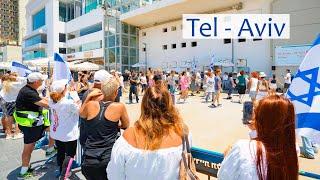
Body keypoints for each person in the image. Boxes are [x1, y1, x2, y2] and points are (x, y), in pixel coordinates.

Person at [107, 83, 190, 179]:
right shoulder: (182, 133)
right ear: (169, 105)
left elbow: (115, 175)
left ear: (144, 106)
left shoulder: (128, 136)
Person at [218, 95, 298, 180]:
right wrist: (255, 130)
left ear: (260, 118)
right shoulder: (293, 149)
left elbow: (223, 176)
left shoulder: (242, 148)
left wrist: (229, 157)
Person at [79, 78, 129, 180]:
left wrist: (88, 97)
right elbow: (126, 125)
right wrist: (114, 125)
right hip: (106, 159)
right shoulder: (119, 107)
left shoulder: (90, 105)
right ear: (116, 92)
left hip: (88, 158)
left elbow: (81, 114)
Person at [14, 72, 51, 178]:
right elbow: (45, 104)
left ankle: (51, 149)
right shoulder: (28, 92)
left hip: (34, 122)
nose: (43, 82)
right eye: (41, 80)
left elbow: (41, 99)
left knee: (53, 130)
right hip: (30, 124)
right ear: (35, 82)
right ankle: (23, 172)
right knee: (28, 148)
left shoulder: (29, 89)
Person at [49, 79, 81, 179]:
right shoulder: (68, 103)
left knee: (61, 152)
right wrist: (75, 95)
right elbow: (80, 110)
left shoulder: (52, 101)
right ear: (64, 91)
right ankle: (64, 175)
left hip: (57, 132)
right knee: (70, 154)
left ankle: (61, 171)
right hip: (68, 133)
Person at [0, 73, 26, 139]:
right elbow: (26, 80)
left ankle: (8, 134)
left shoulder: (5, 83)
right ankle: (17, 133)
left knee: (8, 117)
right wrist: (17, 78)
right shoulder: (17, 84)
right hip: (16, 101)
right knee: (18, 117)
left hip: (6, 101)